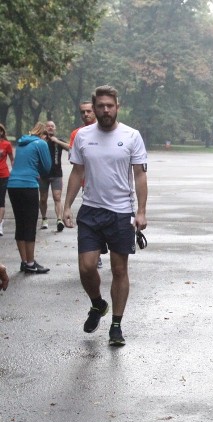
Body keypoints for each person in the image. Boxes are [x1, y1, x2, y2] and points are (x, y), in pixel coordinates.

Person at [62, 85, 148, 346]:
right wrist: (66, 207)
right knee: (86, 267)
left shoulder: (131, 136)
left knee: (119, 269)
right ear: (95, 108)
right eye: (101, 106)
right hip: (91, 211)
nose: (106, 110)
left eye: (110, 105)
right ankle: (98, 304)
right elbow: (77, 172)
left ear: (117, 107)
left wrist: (141, 211)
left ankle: (116, 326)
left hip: (121, 213)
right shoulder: (83, 136)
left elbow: (140, 175)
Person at [7, 123, 52, 274]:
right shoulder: (41, 143)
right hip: (28, 185)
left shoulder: (21, 142)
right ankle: (31, 263)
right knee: (30, 223)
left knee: (20, 223)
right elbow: (47, 167)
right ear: (43, 134)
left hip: (12, 184)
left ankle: (24, 261)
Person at [69, 101, 104, 268]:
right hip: (87, 184)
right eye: (82, 112)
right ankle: (94, 252)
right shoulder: (77, 134)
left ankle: (100, 248)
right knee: (93, 218)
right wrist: (66, 205)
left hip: (110, 186)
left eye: (89, 111)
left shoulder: (108, 129)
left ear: (95, 111)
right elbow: (76, 165)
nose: (85, 115)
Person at [39, 121, 71, 231]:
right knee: (43, 198)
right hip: (43, 174)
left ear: (55, 128)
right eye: (48, 126)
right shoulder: (40, 141)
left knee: (57, 197)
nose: (50, 128)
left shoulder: (58, 141)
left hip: (57, 174)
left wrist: (56, 141)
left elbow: (70, 147)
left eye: (52, 126)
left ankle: (59, 220)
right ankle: (44, 219)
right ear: (45, 128)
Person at [0, 124, 14, 237]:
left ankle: (0, 223)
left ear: (2, 132)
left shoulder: (7, 144)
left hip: (3, 175)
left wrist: (15, 173)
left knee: (1, 200)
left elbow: (12, 160)